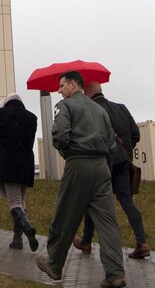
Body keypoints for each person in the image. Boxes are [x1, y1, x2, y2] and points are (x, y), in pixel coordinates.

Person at [35, 71, 126, 288]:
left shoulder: (65, 106)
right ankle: (115, 273)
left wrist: (69, 153)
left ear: (73, 85)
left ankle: (54, 264)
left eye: (62, 85)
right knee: (108, 223)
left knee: (64, 215)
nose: (59, 90)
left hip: (79, 165)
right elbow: (112, 145)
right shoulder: (100, 110)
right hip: (102, 168)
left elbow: (59, 135)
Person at [74, 82, 151, 260]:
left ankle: (86, 242)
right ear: (100, 91)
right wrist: (125, 152)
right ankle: (142, 242)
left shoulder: (92, 110)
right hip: (123, 163)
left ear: (87, 93)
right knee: (127, 202)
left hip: (102, 164)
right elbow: (135, 135)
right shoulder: (121, 108)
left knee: (93, 200)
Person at [0, 93, 39, 251]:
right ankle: (17, 240)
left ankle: (27, 228)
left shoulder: (2, 114)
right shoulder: (31, 117)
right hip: (26, 165)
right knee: (21, 202)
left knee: (14, 203)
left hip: (9, 164)